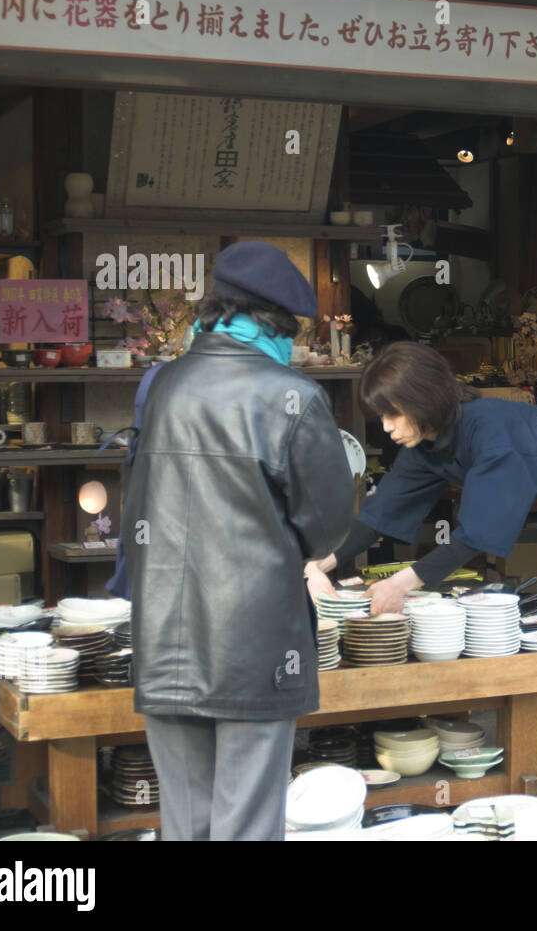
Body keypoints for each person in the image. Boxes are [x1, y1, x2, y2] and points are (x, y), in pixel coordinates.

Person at [304, 341, 537, 794]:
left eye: (393, 414)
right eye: (382, 415)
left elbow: (476, 535)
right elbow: (379, 514)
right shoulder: (430, 441)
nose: (387, 427)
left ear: (424, 402)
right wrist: (322, 561)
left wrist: (405, 581)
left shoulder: (492, 429)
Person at [123, 241, 358, 840]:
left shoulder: (161, 387)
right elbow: (327, 528)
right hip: (255, 649)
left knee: (187, 822)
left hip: (163, 642)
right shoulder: (294, 396)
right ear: (280, 325)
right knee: (247, 823)